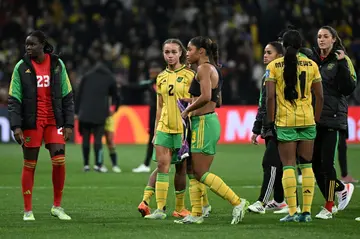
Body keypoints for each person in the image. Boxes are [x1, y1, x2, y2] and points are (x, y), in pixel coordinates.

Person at [175, 36, 248, 225]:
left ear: (201, 51)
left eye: (189, 50)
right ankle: (197, 213)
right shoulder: (213, 69)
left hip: (204, 124)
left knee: (200, 171)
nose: (187, 53)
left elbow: (206, 96)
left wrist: (188, 110)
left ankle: (238, 202)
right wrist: (190, 101)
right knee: (192, 170)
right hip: (205, 122)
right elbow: (218, 100)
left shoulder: (204, 68)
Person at [8, 30, 74, 221]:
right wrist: (16, 126)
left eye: (32, 44)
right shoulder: (21, 67)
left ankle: (57, 206)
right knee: (30, 164)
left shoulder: (57, 64)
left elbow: (67, 95)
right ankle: (28, 210)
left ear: (43, 44)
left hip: (54, 120)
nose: (28, 48)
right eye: (26, 45)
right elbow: (14, 99)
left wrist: (69, 123)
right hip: (32, 122)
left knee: (59, 161)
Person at [265, 30, 324, 222]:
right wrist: (315, 119)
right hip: (307, 120)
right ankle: (306, 212)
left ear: (283, 46)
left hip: (285, 121)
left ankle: (292, 212)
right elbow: (320, 96)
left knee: (288, 166)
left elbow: (270, 97)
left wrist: (270, 121)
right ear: (300, 45)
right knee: (307, 166)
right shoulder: (312, 65)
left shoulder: (274, 66)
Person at [140, 39, 194, 219]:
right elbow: (160, 107)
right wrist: (155, 131)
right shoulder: (161, 77)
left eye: (173, 52)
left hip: (182, 128)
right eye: (166, 52)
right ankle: (160, 210)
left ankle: (180, 207)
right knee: (163, 166)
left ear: (181, 54)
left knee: (181, 168)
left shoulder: (189, 75)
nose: (170, 56)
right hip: (164, 127)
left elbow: (196, 101)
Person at [310, 26, 357, 220]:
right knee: (314, 164)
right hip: (314, 117)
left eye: (325, 36)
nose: (321, 39)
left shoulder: (342, 60)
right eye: (319, 36)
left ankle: (328, 207)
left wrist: (342, 64)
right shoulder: (313, 60)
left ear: (333, 39)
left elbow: (349, 87)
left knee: (327, 164)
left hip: (333, 117)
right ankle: (340, 188)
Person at [249, 41, 289, 214]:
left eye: (269, 52)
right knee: (277, 166)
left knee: (270, 163)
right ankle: (280, 201)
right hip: (269, 125)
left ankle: (262, 202)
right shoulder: (267, 75)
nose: (265, 55)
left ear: (280, 56)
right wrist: (257, 128)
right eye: (264, 52)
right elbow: (262, 104)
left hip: (280, 124)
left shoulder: (284, 75)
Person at [75, 51, 120, 173]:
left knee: (85, 139)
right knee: (98, 140)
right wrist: (115, 108)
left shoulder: (86, 76)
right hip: (100, 114)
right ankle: (98, 164)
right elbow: (116, 96)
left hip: (84, 113)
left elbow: (78, 94)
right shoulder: (109, 78)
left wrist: (76, 111)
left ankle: (86, 165)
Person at [132, 62, 162, 173]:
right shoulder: (150, 84)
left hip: (162, 115)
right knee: (152, 139)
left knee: (158, 140)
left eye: (152, 73)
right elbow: (137, 87)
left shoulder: (164, 83)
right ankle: (146, 164)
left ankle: (148, 164)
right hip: (153, 115)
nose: (150, 74)